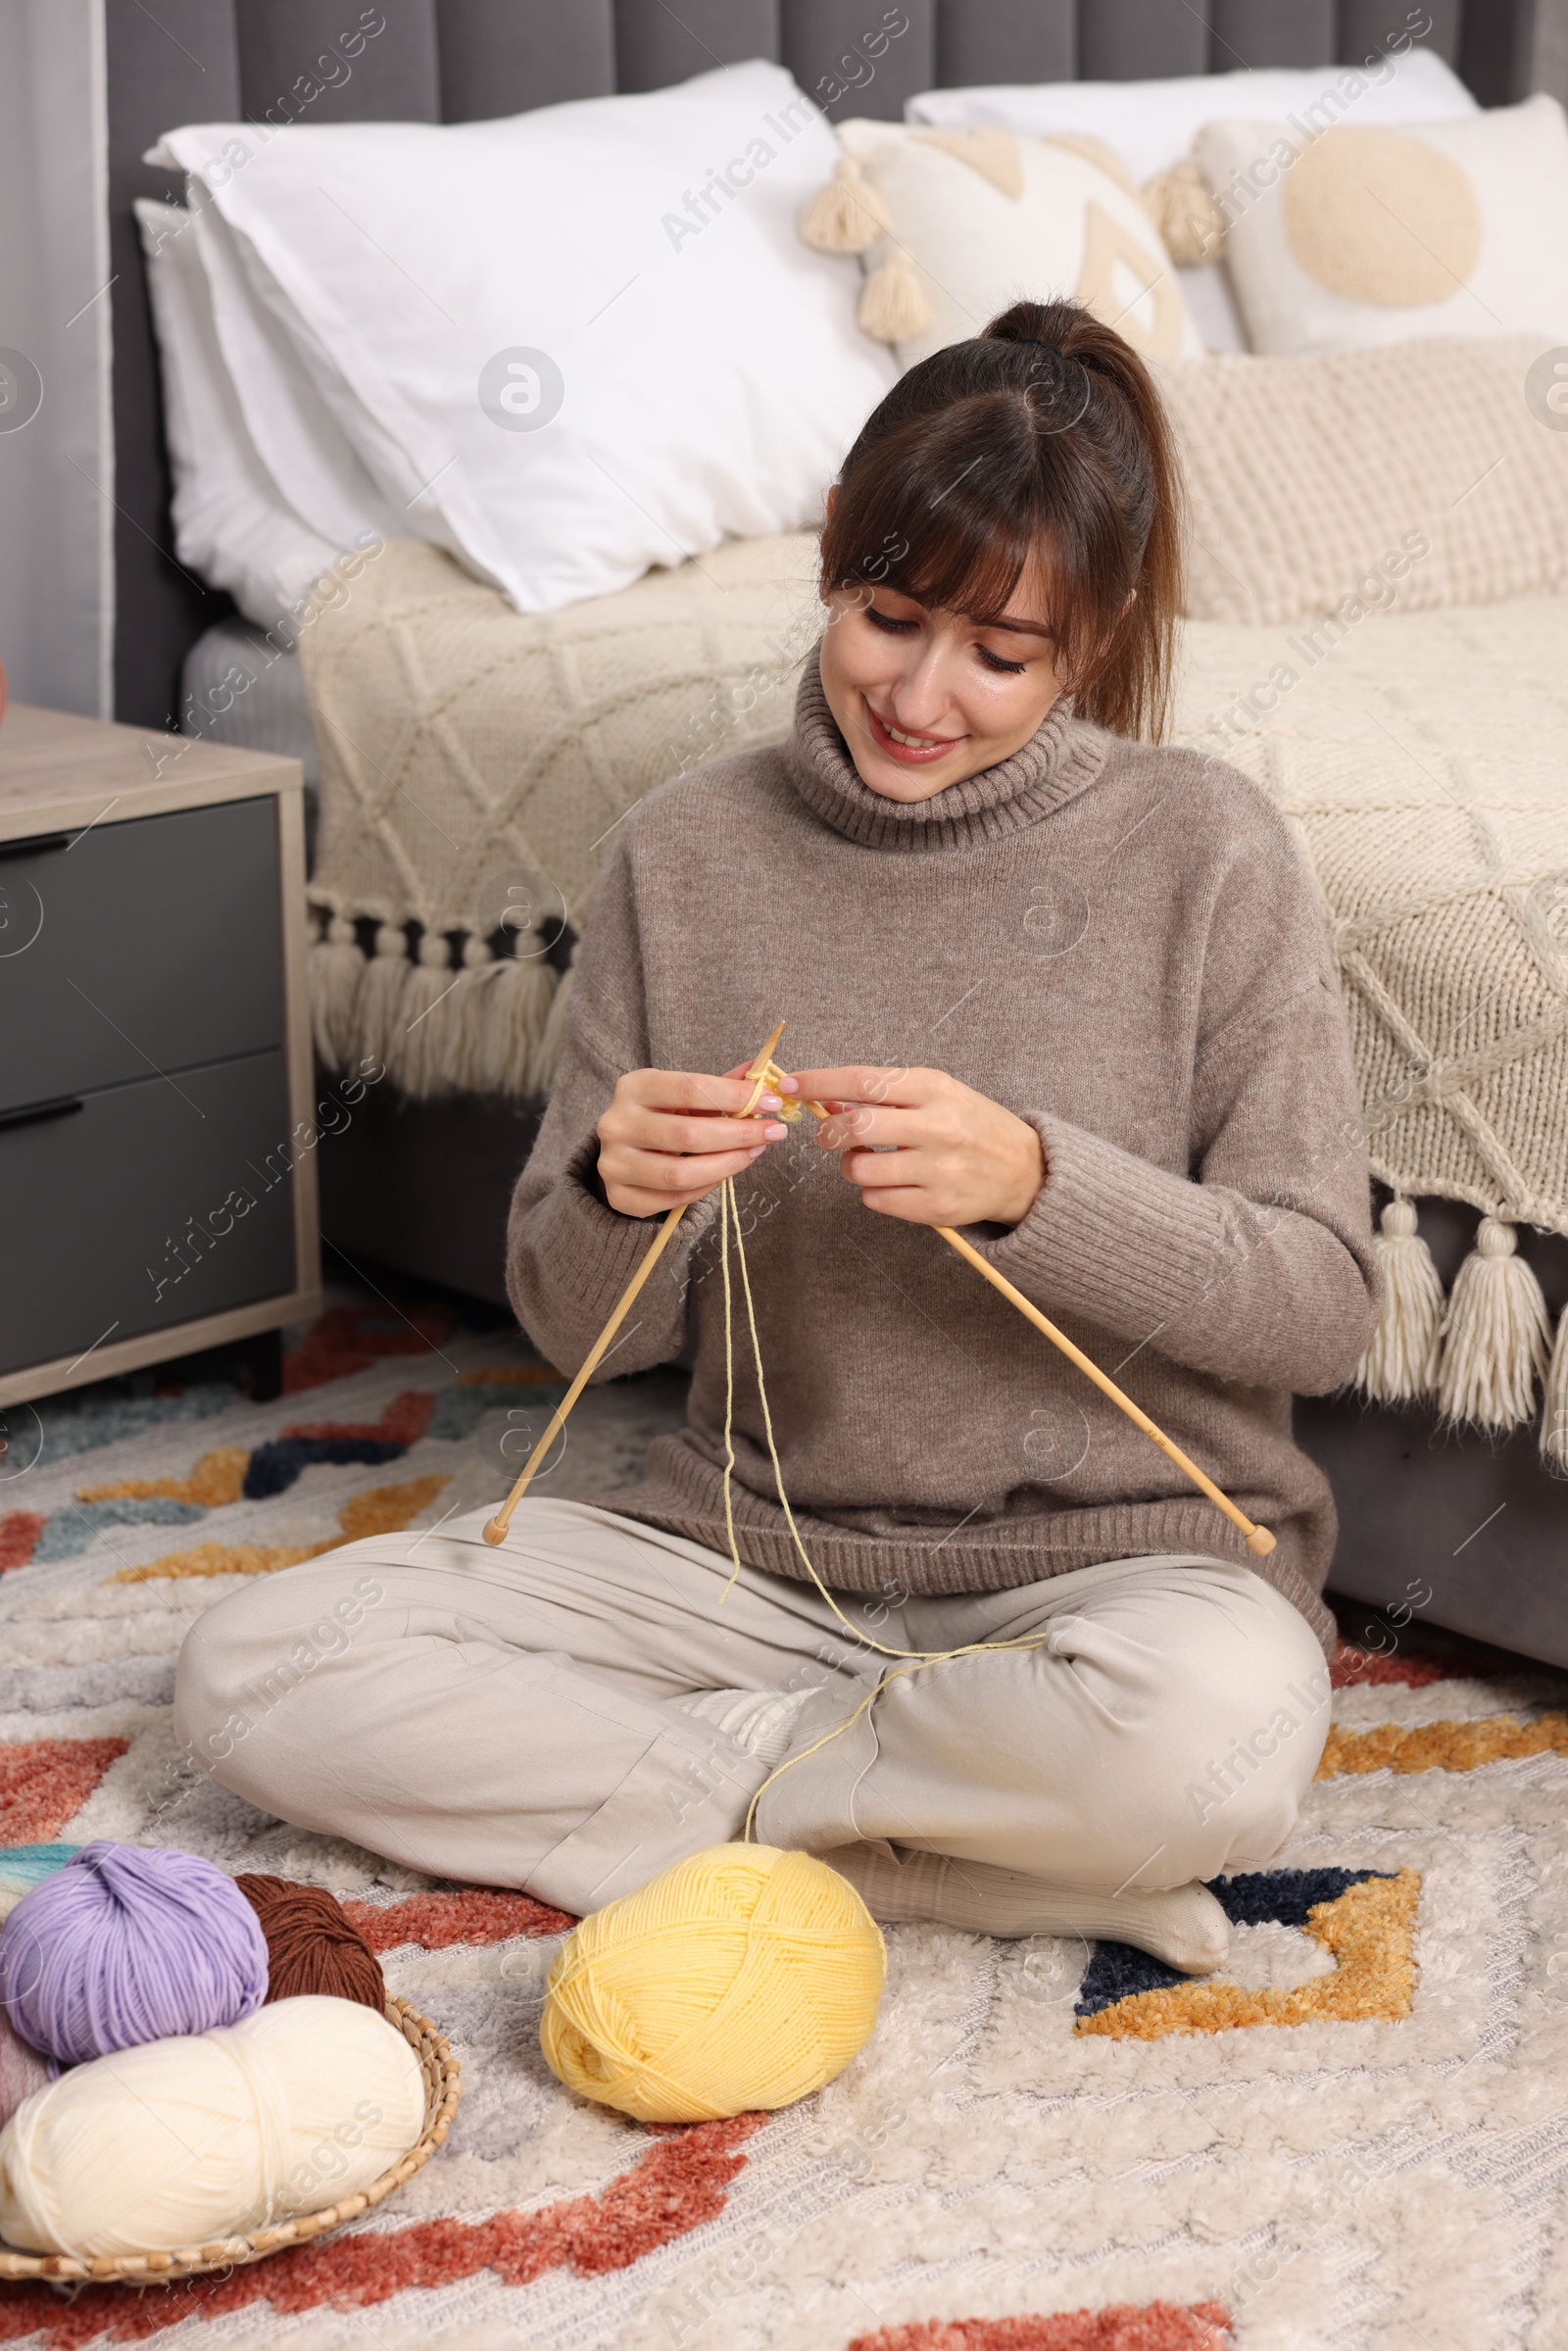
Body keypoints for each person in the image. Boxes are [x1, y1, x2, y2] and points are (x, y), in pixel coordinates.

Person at [175, 299, 1379, 1974]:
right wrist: (617, 1188)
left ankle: (748, 1804)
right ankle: (937, 1852)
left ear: (1088, 648)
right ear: (825, 563)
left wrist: (1042, 1188)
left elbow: (1323, 1303)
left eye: (1001, 655)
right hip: (744, 1568)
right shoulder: (685, 854)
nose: (925, 695)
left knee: (1216, 1738)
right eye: (889, 618)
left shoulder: (1208, 850)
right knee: (255, 1673)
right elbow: (585, 1334)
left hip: (1119, 1581)